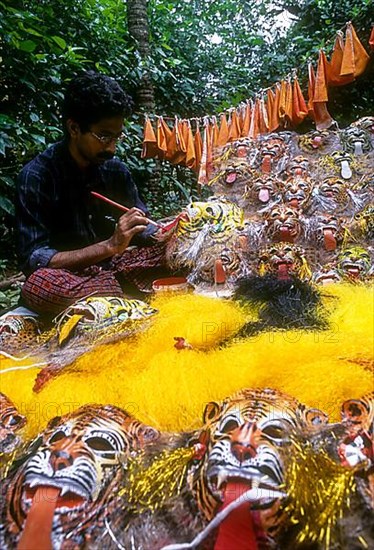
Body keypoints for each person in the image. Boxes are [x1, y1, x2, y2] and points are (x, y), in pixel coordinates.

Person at [16, 71, 166, 316]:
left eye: (117, 136)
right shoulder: (37, 176)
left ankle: (113, 300)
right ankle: (127, 295)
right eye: (104, 136)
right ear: (74, 128)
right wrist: (109, 246)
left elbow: (142, 227)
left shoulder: (116, 170)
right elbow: (35, 260)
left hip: (115, 269)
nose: (112, 147)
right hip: (67, 279)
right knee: (38, 287)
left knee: (173, 255)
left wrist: (168, 234)